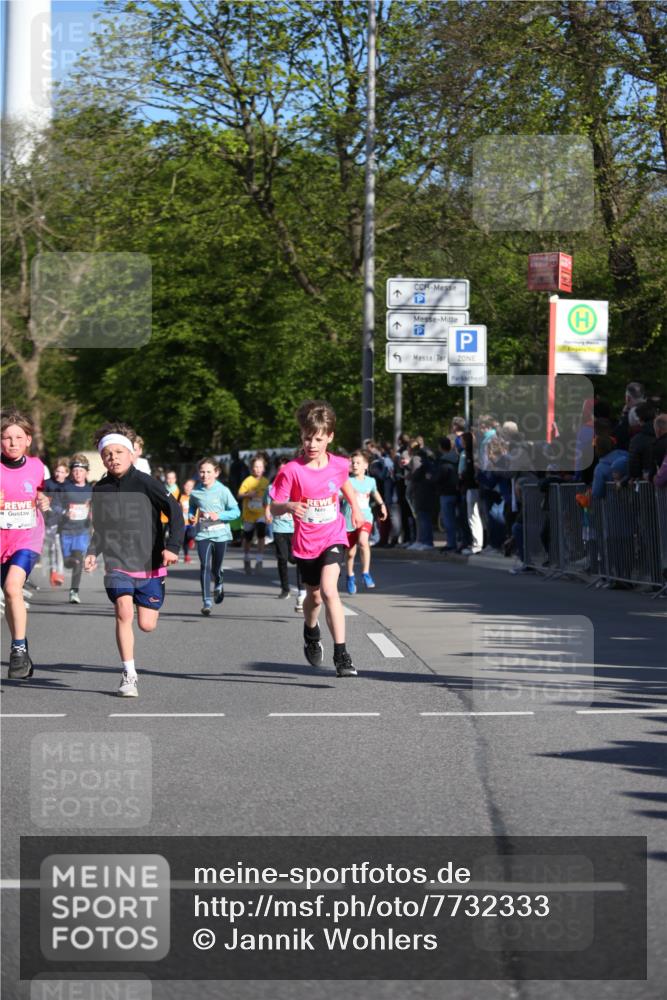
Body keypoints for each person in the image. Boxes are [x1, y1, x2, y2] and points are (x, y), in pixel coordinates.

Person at [84, 422, 184, 697]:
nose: (113, 457)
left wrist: (172, 546)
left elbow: (175, 512)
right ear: (102, 458)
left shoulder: (146, 483)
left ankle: (147, 604)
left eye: (119, 452)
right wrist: (93, 551)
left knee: (146, 624)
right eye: (108, 454)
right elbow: (101, 527)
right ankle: (129, 674)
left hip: (151, 563)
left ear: (131, 454)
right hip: (117, 563)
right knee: (124, 612)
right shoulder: (100, 488)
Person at [270, 400, 364, 677]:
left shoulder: (339, 464)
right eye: (307, 437)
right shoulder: (291, 470)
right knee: (314, 597)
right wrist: (288, 506)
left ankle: (342, 654)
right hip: (306, 541)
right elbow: (274, 505)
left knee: (329, 590)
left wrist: (356, 509)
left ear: (330, 438)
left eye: (318, 439)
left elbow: (344, 481)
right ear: (301, 435)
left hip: (333, 535)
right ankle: (311, 632)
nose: (312, 444)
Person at [1, 409, 51, 679]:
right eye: (6, 438)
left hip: (27, 537)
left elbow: (45, 494)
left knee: (12, 586)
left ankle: (18, 649)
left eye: (18, 437)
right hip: (1, 538)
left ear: (28, 440)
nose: (12, 442)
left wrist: (45, 501)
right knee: (10, 597)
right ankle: (21, 647)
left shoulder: (36, 466)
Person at [188, 457, 240, 615]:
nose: (205, 475)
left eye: (208, 472)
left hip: (221, 534)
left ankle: (219, 582)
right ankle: (206, 601)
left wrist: (219, 515)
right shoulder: (196, 492)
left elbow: (236, 512)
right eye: (202, 472)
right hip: (203, 534)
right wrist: (191, 515)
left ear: (216, 473)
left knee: (216, 568)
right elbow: (192, 506)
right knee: (205, 566)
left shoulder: (223, 490)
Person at [342, 449, 387, 594]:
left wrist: (382, 505)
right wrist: (344, 496)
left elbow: (375, 493)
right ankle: (350, 576)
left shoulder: (371, 481)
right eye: (353, 462)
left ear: (365, 466)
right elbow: (337, 495)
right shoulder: (346, 481)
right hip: (349, 519)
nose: (354, 465)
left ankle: (366, 573)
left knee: (363, 542)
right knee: (350, 553)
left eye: (358, 463)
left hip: (366, 517)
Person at [264, 454, 305, 607]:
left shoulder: (297, 484)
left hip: (295, 528)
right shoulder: (271, 487)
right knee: (282, 558)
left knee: (296, 559)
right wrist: (268, 513)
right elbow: (268, 504)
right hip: (279, 527)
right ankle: (285, 588)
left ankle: (302, 588)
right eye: (281, 469)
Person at [59, 454, 93, 604]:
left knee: (78, 560)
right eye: (75, 470)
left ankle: (74, 591)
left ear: (87, 472)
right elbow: (55, 506)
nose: (78, 473)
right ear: (71, 472)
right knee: (68, 562)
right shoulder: (65, 488)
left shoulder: (92, 489)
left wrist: (93, 512)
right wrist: (64, 512)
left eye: (81, 470)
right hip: (66, 531)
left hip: (82, 531)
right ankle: (71, 565)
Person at [238, 453, 269, 574]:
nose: (258, 469)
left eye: (260, 467)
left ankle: (259, 560)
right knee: (248, 538)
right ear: (252, 468)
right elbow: (239, 494)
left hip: (261, 513)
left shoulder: (266, 482)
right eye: (255, 467)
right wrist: (248, 495)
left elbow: (270, 496)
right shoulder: (248, 481)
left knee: (261, 534)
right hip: (249, 514)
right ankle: (246, 558)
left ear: (264, 468)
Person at [43, 457, 68, 586]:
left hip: (65, 522)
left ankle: (60, 572)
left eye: (62, 472)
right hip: (50, 520)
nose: (59, 474)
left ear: (67, 473)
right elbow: (42, 499)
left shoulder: (69, 485)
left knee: (60, 547)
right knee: (53, 548)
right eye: (57, 471)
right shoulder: (47, 484)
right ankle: (54, 571)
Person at [459, 431, 483, 555]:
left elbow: (472, 471)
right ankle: (477, 543)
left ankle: (477, 544)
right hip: (472, 487)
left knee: (473, 516)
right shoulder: (473, 452)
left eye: (463, 441)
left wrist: (463, 475)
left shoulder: (470, 454)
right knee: (475, 516)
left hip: (473, 487)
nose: (461, 443)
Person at [434, 437, 460, 551]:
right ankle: (459, 541)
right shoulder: (457, 458)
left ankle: (451, 543)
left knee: (448, 520)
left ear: (440, 447)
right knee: (458, 519)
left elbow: (439, 477)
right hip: (457, 491)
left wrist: (433, 478)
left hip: (446, 493)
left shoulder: (444, 461)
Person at [178, 477, 196, 562]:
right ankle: (186, 555)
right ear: (184, 486)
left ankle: (191, 540)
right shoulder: (180, 497)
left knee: (191, 534)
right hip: (182, 522)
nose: (188, 488)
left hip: (192, 521)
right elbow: (177, 508)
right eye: (187, 485)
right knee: (183, 540)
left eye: (191, 486)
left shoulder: (194, 498)